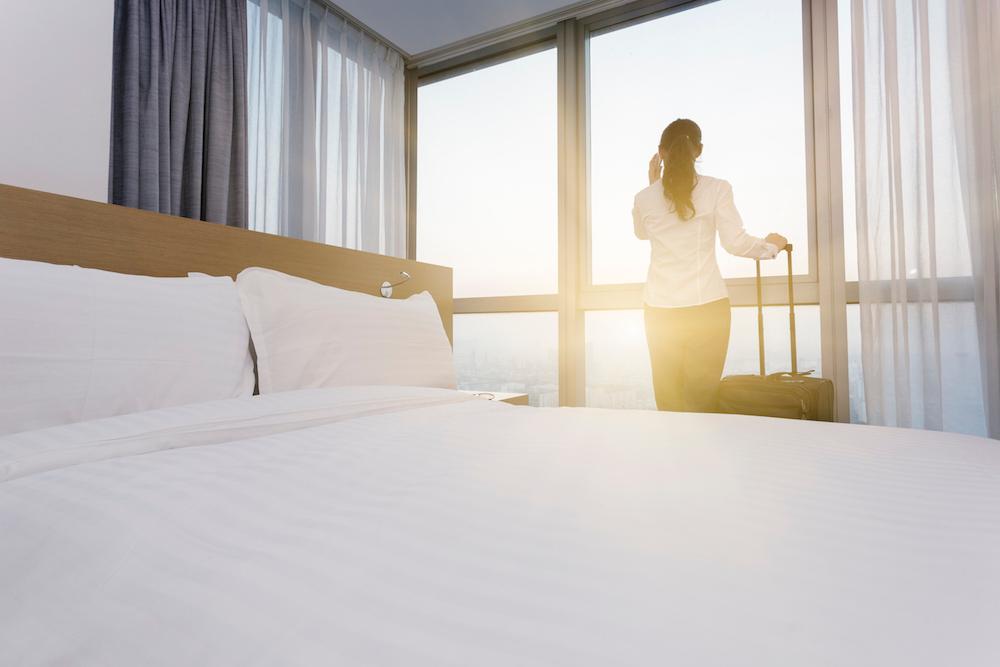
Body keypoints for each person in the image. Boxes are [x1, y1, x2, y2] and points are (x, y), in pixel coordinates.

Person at [633, 118, 787, 412]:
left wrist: (653, 186)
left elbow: (642, 233)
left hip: (659, 311)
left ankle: (672, 457)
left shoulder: (644, 198)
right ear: (699, 150)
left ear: (660, 152)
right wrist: (771, 247)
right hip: (707, 309)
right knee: (702, 400)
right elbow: (735, 243)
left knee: (668, 399)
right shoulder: (717, 189)